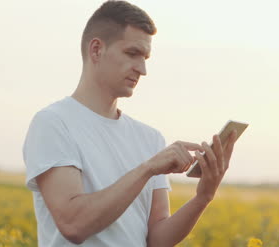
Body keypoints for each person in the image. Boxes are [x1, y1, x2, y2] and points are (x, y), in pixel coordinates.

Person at [22, 1, 238, 246]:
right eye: (132, 53)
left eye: (145, 58)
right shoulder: (53, 123)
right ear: (96, 50)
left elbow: (156, 240)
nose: (143, 69)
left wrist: (204, 196)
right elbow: (74, 225)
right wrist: (147, 169)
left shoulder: (150, 138)